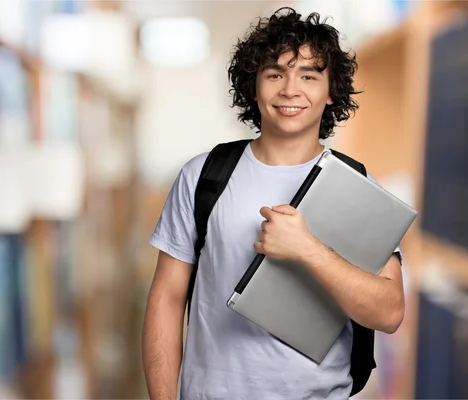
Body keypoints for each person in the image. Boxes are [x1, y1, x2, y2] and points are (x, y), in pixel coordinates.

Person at [141, 7, 405, 400]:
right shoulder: (204, 176)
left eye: (309, 76)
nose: (290, 90)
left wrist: (308, 250)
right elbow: (167, 299)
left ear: (331, 91)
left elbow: (389, 312)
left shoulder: (357, 187)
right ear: (254, 86)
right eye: (275, 74)